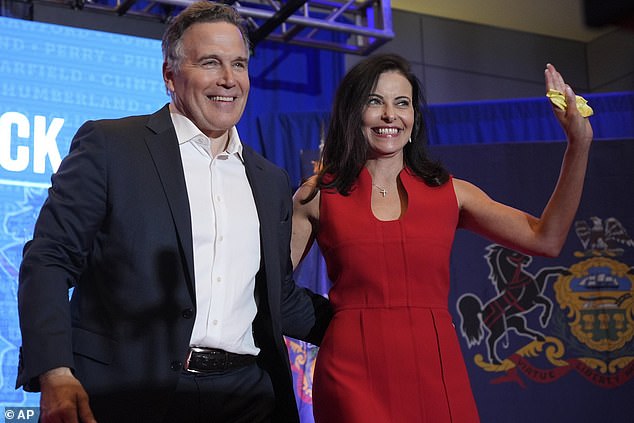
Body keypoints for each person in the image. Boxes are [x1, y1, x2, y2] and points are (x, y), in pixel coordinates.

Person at [16, 2, 331, 422]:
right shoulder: (111, 147)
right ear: (170, 76)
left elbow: (277, 299)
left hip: (247, 397)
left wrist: (367, 324)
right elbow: (49, 260)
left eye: (238, 64)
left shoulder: (270, 180)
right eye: (210, 63)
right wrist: (54, 370)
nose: (228, 80)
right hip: (131, 395)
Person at [290, 54, 593, 422]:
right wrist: (333, 322)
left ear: (414, 119)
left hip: (437, 372)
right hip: (350, 374)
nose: (390, 115)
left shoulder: (451, 193)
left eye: (402, 103)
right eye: (375, 101)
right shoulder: (318, 194)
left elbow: (547, 238)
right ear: (352, 113)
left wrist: (578, 145)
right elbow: (270, 288)